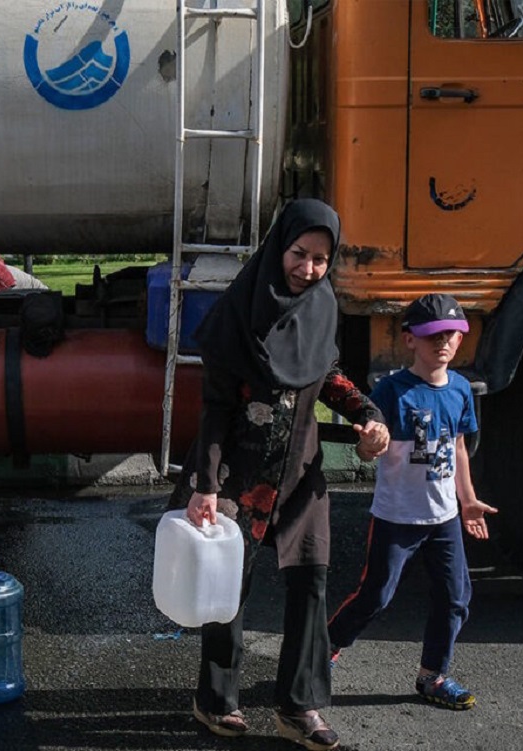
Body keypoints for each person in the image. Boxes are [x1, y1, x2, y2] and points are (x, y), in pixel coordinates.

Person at [168, 198, 390, 751]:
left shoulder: (321, 306)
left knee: (310, 583)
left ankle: (299, 707)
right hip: (238, 473)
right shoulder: (236, 316)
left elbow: (328, 374)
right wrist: (207, 486)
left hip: (301, 472)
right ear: (278, 247)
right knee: (228, 591)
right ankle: (216, 701)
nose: (309, 269)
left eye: (321, 259)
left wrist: (367, 415)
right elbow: (215, 409)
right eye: (299, 254)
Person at [327, 293, 498, 711]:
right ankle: (322, 650)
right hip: (397, 516)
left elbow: (458, 447)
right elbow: (369, 449)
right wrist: (369, 445)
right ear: (410, 340)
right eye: (432, 335)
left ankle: (432, 675)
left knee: (456, 597)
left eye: (452, 335)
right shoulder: (391, 391)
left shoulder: (459, 389)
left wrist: (469, 500)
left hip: (444, 519)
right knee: (376, 596)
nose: (443, 343)